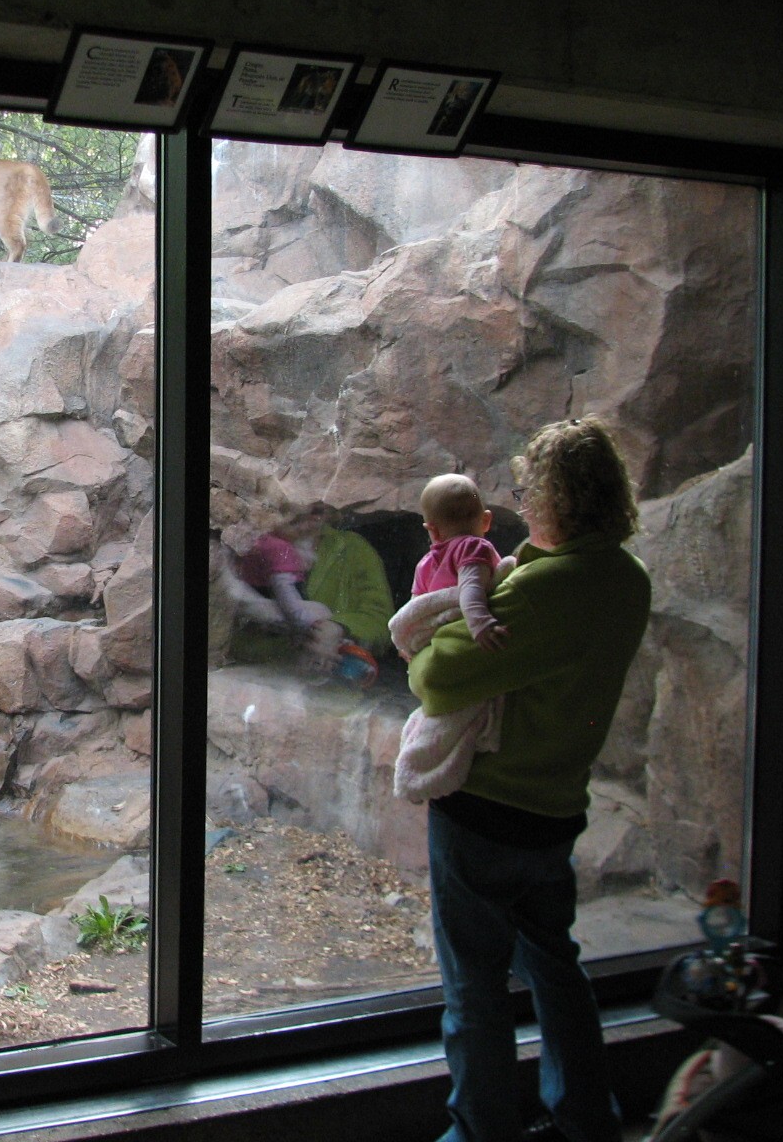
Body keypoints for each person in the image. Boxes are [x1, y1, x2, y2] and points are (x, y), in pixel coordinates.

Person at [408, 419, 652, 1142]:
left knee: (474, 990)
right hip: (557, 804)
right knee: (553, 965)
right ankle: (586, 1117)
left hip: (485, 808)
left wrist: (429, 643)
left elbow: (437, 675)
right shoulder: (626, 579)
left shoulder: (551, 586)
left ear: (550, 498)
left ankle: (481, 1130)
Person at [389, 474, 514, 802]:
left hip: (433, 646)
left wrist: (408, 645)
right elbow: (470, 590)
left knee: (433, 715)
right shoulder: (476, 546)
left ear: (431, 529)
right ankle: (432, 772)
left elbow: (416, 610)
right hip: (460, 631)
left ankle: (419, 770)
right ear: (486, 520)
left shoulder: (425, 563)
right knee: (465, 717)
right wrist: (481, 625)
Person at [221, 501, 394, 674]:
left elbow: (383, 624)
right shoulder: (249, 550)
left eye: (317, 512)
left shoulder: (353, 548)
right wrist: (295, 650)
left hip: (338, 690)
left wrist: (338, 629)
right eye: (296, 519)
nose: (309, 523)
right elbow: (228, 632)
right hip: (261, 681)